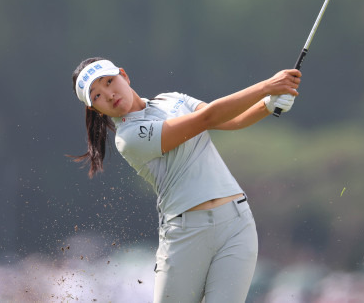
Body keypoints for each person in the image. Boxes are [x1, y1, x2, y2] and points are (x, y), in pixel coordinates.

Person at [70, 57, 301, 303]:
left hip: (236, 224)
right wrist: (267, 87)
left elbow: (230, 120)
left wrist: (267, 105)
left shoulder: (172, 98)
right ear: (94, 109)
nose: (109, 94)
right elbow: (207, 119)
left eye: (109, 81)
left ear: (124, 76)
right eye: (96, 96)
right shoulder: (128, 137)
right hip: (185, 233)